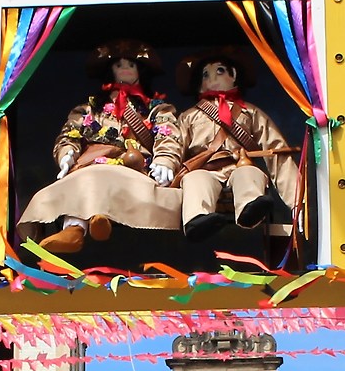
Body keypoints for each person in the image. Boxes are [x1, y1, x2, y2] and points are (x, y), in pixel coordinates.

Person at [15, 42, 182, 255]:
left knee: (100, 177)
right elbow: (70, 134)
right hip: (92, 164)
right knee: (83, 179)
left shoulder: (155, 109)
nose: (124, 68)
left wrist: (165, 160)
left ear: (141, 70)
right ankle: (74, 230)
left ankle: (97, 219)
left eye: (130, 64)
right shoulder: (91, 109)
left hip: (133, 167)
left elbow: (168, 134)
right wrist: (67, 154)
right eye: (119, 65)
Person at [173, 50, 300, 244]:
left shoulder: (250, 113)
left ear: (234, 76)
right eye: (205, 74)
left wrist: (297, 203)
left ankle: (250, 209)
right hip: (205, 169)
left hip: (240, 164)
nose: (212, 78)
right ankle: (197, 219)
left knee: (249, 174)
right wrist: (166, 165)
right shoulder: (189, 117)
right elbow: (175, 146)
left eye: (220, 71)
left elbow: (277, 150)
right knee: (195, 180)